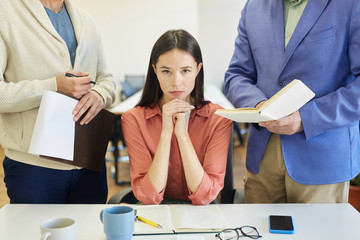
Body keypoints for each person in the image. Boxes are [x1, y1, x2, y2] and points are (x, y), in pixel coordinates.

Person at [224, 0, 360, 203]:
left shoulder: (351, 4)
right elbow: (237, 75)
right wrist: (259, 105)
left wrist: (306, 118)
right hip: (262, 157)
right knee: (260, 234)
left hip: (322, 159)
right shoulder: (252, 7)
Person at [0, 0, 115, 203]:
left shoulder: (87, 22)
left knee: (88, 233)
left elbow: (107, 80)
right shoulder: (6, 13)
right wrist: (53, 86)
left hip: (88, 161)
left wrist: (100, 94)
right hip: (33, 167)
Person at [121, 29, 233, 205]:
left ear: (198, 69)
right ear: (155, 70)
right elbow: (148, 197)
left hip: (201, 216)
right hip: (155, 216)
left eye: (186, 71)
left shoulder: (219, 118)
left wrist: (182, 135)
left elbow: (205, 196)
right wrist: (166, 133)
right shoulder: (133, 119)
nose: (176, 82)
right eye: (166, 71)